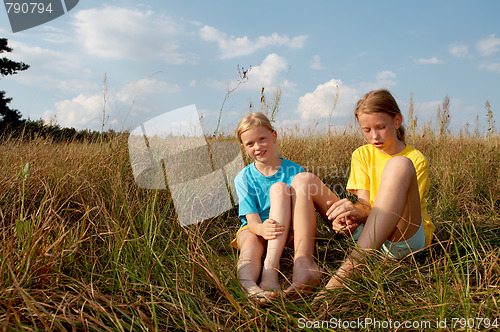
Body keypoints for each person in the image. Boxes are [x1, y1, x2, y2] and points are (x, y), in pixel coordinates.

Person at [316, 89, 436, 294]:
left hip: (404, 239)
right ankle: (307, 265)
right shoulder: (361, 155)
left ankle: (349, 268)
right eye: (367, 130)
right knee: (306, 180)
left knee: (399, 165)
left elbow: (398, 214)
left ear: (397, 121)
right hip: (370, 235)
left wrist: (362, 213)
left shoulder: (414, 159)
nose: (374, 136)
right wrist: (349, 215)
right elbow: (364, 203)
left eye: (381, 127)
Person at [232, 112, 323, 302]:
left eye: (262, 139)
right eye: (250, 144)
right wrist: (262, 229)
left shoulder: (295, 171)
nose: (257, 147)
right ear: (243, 147)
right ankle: (249, 286)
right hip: (255, 229)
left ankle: (270, 270)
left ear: (273, 136)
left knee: (280, 189)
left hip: (285, 230)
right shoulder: (243, 178)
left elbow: (302, 214)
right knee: (250, 246)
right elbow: (252, 220)